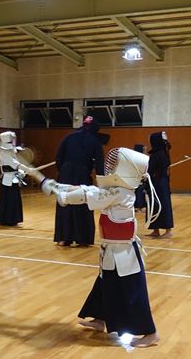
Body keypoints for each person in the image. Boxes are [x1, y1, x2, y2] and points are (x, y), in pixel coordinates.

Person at [40, 147, 159, 348]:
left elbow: (90, 196)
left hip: (125, 254)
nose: (110, 166)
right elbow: (90, 190)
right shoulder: (116, 190)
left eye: (115, 164)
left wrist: (63, 195)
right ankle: (100, 319)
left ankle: (150, 333)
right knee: (105, 284)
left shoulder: (121, 192)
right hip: (111, 250)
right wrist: (59, 186)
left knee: (133, 292)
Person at [53, 115, 105, 247]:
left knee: (64, 203)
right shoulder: (95, 141)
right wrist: (102, 182)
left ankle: (63, 238)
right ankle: (82, 239)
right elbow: (100, 164)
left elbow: (58, 157)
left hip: (65, 173)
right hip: (82, 174)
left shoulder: (69, 137)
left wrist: (63, 171)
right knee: (82, 203)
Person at [146, 131, 174, 238]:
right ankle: (155, 230)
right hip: (158, 182)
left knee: (163, 205)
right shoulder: (162, 152)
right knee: (154, 205)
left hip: (159, 183)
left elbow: (150, 169)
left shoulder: (158, 154)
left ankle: (168, 231)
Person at [0, 131, 24, 226]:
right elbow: (14, 164)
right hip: (7, 179)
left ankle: (14, 219)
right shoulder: (4, 153)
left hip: (13, 178)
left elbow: (17, 164)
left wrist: (21, 172)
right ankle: (6, 220)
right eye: (12, 139)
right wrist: (27, 169)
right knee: (9, 199)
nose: (14, 140)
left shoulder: (11, 151)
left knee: (14, 199)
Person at [133, 144, 147, 212]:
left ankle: (141, 205)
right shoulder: (134, 159)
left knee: (142, 189)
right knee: (139, 189)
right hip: (135, 180)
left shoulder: (144, 158)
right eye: (144, 150)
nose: (145, 151)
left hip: (141, 179)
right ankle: (138, 206)